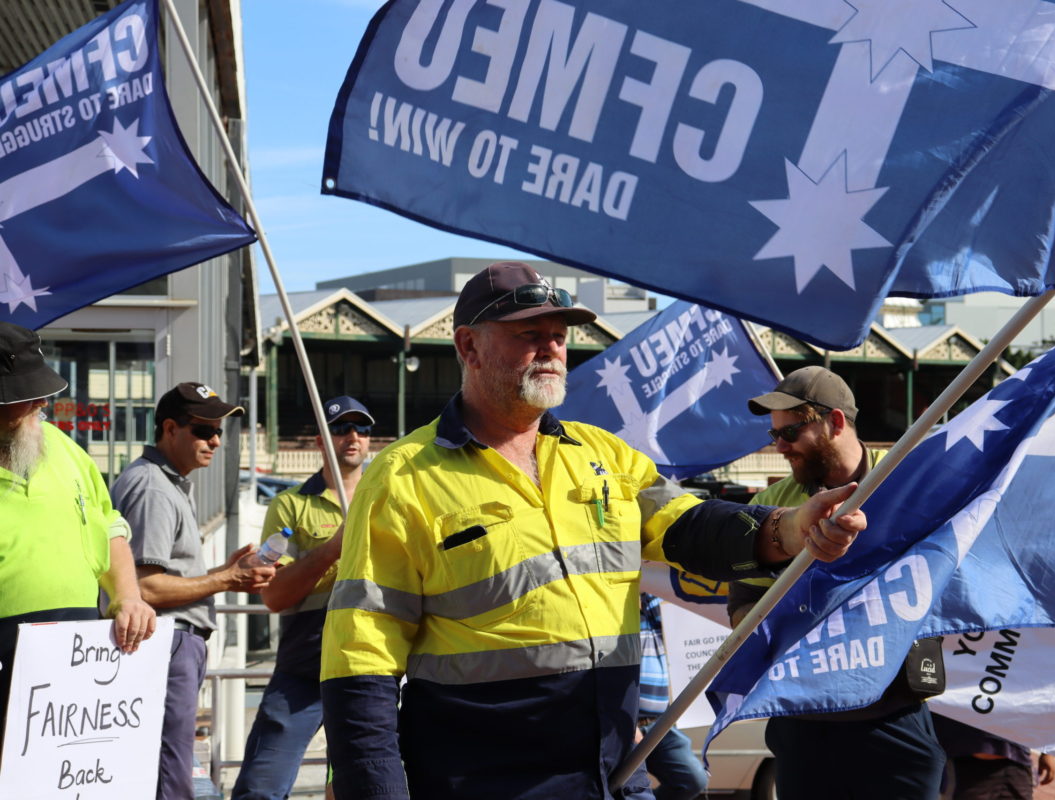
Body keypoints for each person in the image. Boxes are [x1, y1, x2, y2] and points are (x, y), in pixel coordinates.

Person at [320, 261, 868, 800]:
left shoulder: (602, 453)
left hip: (610, 772)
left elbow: (695, 527)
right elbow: (360, 667)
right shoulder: (400, 478)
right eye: (529, 334)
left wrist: (793, 527)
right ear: (468, 347)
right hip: (480, 780)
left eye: (558, 336)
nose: (552, 349)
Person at [730, 366, 946, 800]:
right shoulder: (769, 506)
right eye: (774, 436)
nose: (779, 447)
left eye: (789, 433)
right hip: (806, 719)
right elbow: (742, 605)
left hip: (894, 712)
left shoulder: (911, 481)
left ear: (836, 422)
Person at [112, 382, 276, 800]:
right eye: (204, 430)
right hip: (165, 644)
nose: (216, 440)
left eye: (218, 430)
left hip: (168, 644)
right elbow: (145, 588)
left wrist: (226, 570)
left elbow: (160, 576)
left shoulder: (163, 482)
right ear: (170, 429)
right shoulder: (153, 488)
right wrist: (227, 579)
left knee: (168, 763)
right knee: (170, 766)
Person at [0, 322, 156, 745]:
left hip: (80, 663)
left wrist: (128, 596)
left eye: (41, 391)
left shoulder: (62, 446)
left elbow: (109, 525)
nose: (39, 403)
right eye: (21, 395)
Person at [232, 396, 381, 800]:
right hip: (305, 665)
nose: (353, 437)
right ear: (320, 440)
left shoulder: (387, 499)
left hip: (371, 666)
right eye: (341, 428)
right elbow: (274, 597)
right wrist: (333, 548)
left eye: (362, 429)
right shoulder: (289, 505)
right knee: (261, 787)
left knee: (362, 787)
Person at [637, 592, 707, 800]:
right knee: (629, 789)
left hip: (661, 723)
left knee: (692, 780)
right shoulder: (612, 613)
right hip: (624, 724)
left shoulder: (654, 604)